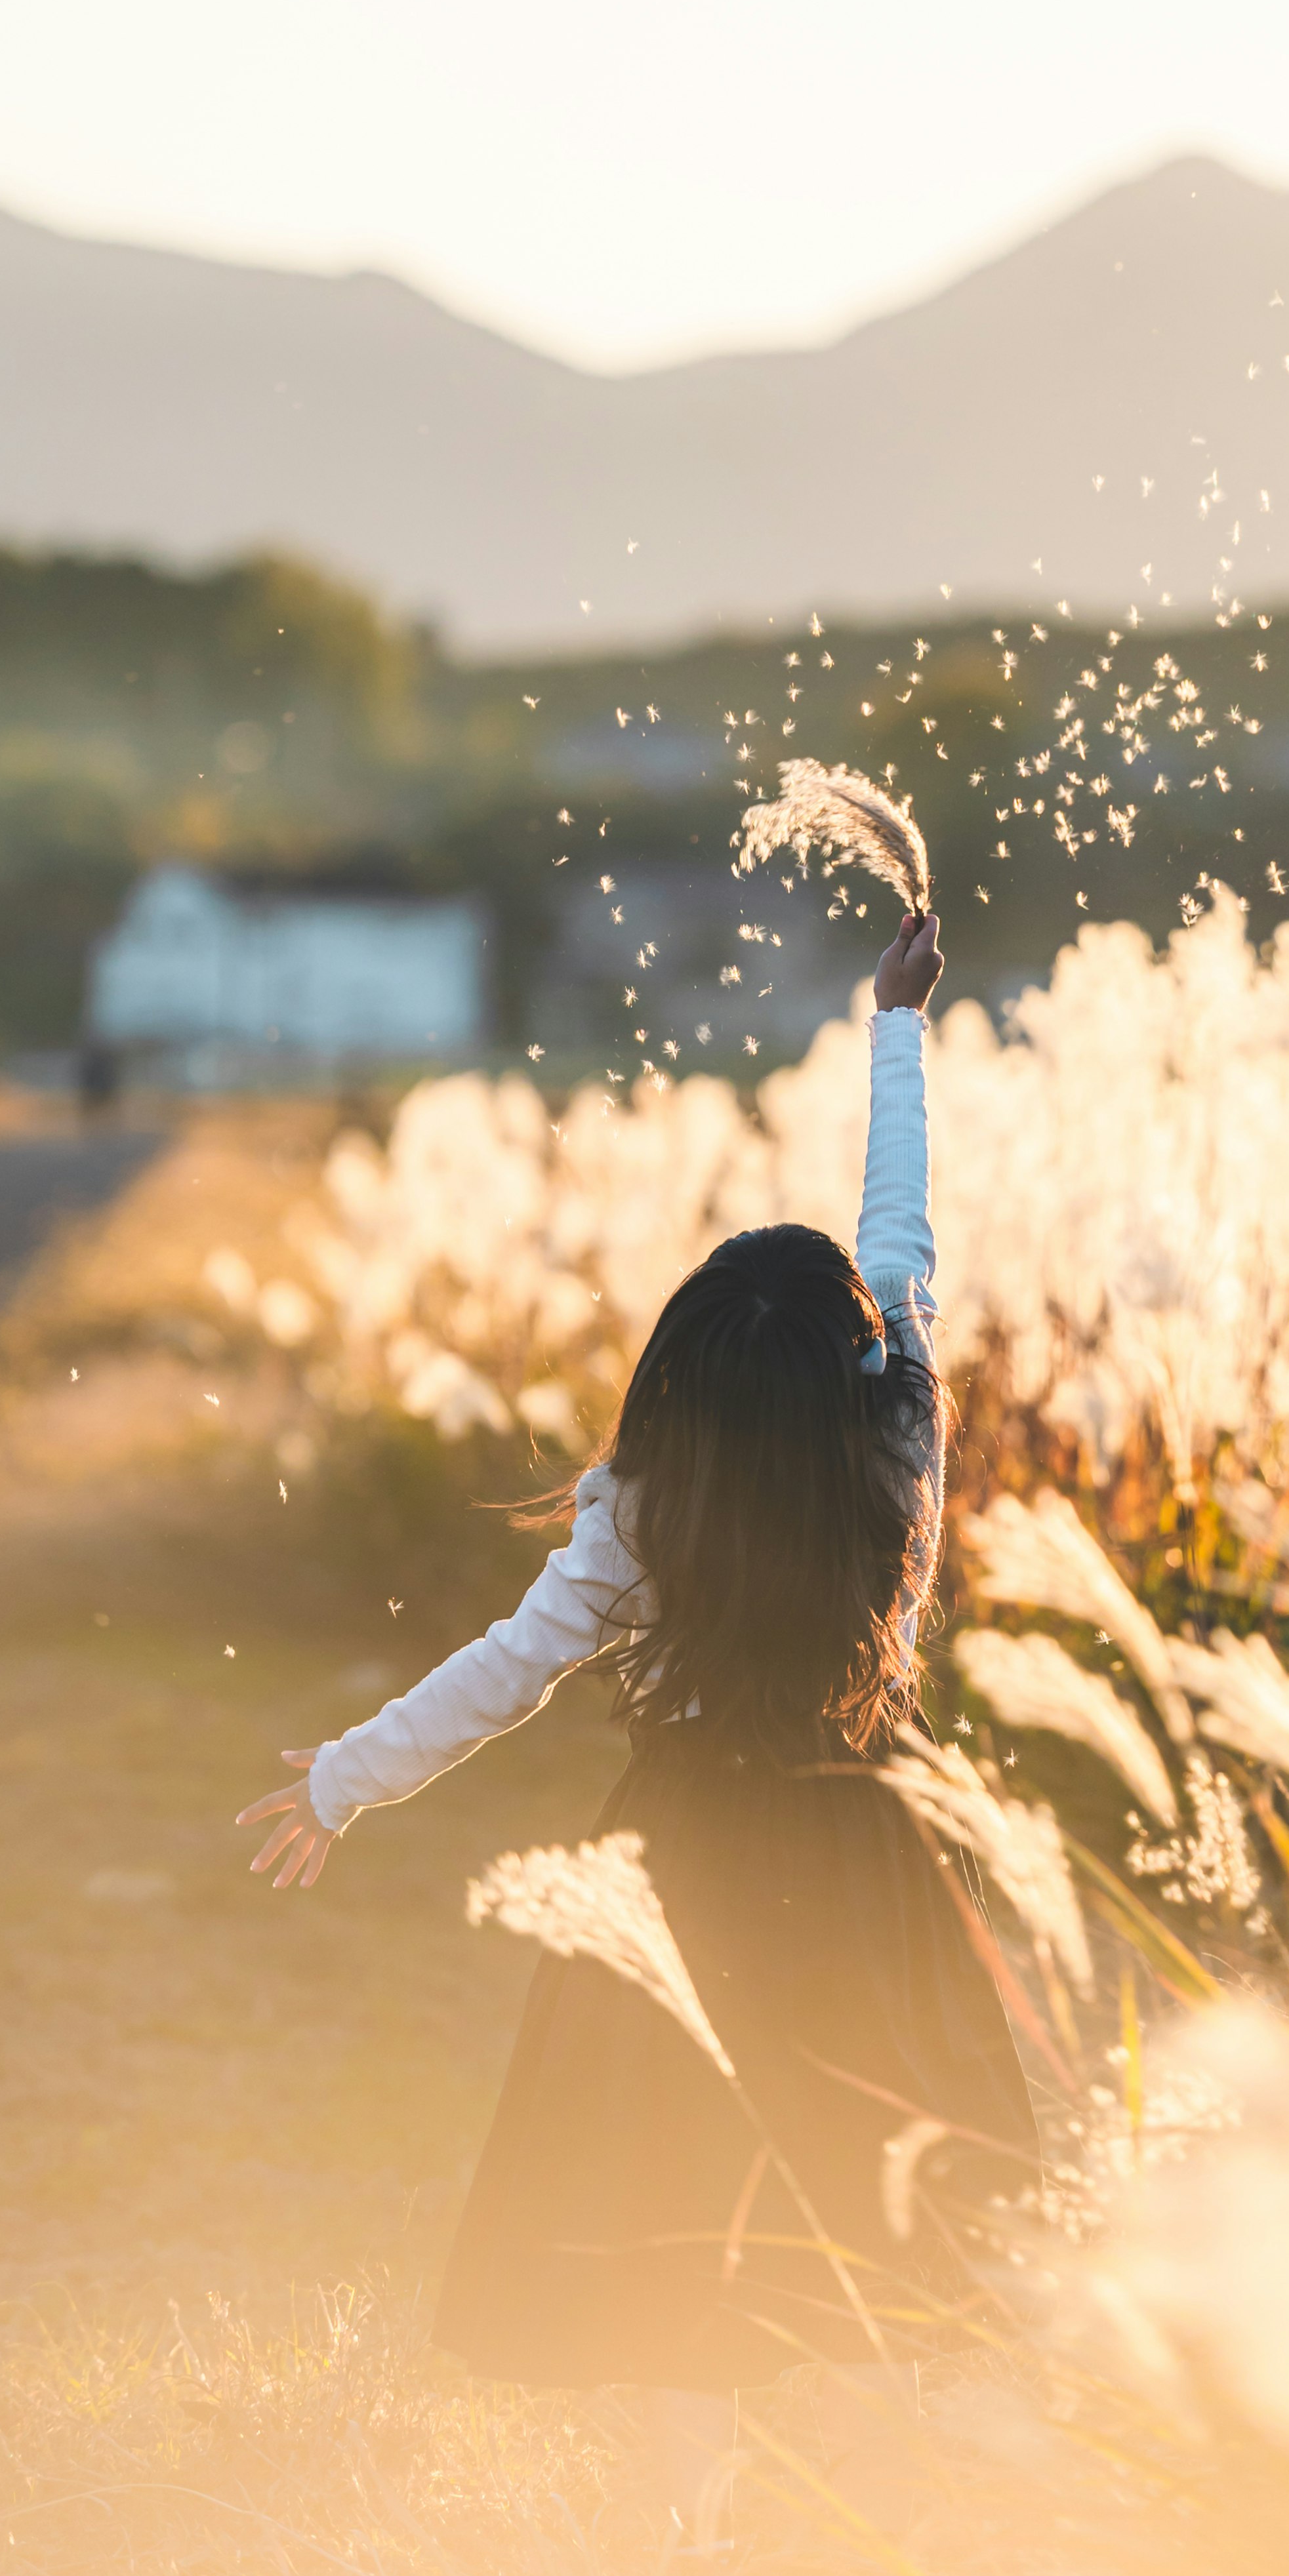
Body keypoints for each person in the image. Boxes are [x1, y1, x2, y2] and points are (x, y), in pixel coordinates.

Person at [234, 905, 1037, 2425]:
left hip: (685, 1864)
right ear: (845, 1359)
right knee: (870, 2157)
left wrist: (347, 1780)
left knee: (677, 2183)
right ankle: (851, 2483)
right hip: (873, 1844)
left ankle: (697, 2509)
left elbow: (512, 1663)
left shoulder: (650, 1505)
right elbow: (902, 1229)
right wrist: (896, 1025)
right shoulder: (901, 1433)